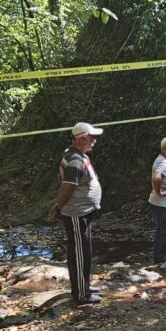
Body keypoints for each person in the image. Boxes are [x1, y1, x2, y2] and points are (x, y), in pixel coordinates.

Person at [49, 123, 104, 305]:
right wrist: (58, 207)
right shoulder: (75, 160)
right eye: (92, 138)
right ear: (82, 139)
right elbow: (67, 188)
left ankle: (85, 285)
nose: (94, 141)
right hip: (76, 214)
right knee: (79, 253)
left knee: (84, 251)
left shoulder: (79, 156)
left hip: (83, 212)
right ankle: (81, 294)